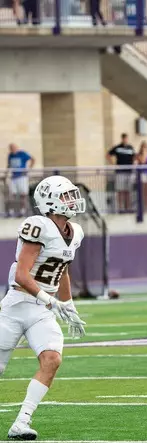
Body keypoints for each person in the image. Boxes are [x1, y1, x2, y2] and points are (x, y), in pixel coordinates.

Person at [0, 175, 87, 440]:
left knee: (52, 359)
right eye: (65, 196)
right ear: (49, 201)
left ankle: (21, 422)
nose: (72, 200)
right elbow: (21, 275)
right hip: (17, 305)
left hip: (42, 309)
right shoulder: (38, 225)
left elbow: (62, 270)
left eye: (72, 195)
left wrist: (69, 306)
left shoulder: (76, 232)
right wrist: (51, 300)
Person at [107, 134, 136, 213]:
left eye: (126, 138)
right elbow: (108, 155)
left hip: (129, 172)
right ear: (122, 139)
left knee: (128, 191)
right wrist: (114, 164)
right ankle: (120, 208)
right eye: (124, 139)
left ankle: (128, 207)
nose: (125, 140)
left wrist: (133, 165)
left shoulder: (131, 148)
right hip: (120, 172)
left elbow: (134, 157)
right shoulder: (118, 148)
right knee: (120, 191)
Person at [6, 143, 35, 217]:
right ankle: (11, 211)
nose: (12, 149)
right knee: (12, 194)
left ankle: (22, 211)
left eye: (13, 148)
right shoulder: (10, 155)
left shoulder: (22, 153)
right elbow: (9, 165)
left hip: (22, 177)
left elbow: (32, 159)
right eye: (11, 148)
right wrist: (6, 174)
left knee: (23, 194)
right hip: (14, 177)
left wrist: (29, 169)